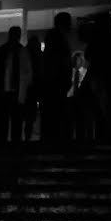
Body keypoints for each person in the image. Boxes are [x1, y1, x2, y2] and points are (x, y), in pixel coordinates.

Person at [0, 26, 32, 144]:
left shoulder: (19, 51)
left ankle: (9, 146)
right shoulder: (5, 51)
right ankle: (5, 146)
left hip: (13, 93)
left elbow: (28, 73)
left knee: (12, 122)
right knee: (4, 123)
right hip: (4, 92)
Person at [42, 12, 73, 143]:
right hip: (56, 80)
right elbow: (61, 59)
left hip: (53, 80)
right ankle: (56, 140)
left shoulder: (53, 36)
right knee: (57, 111)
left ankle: (51, 139)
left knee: (52, 113)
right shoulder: (58, 37)